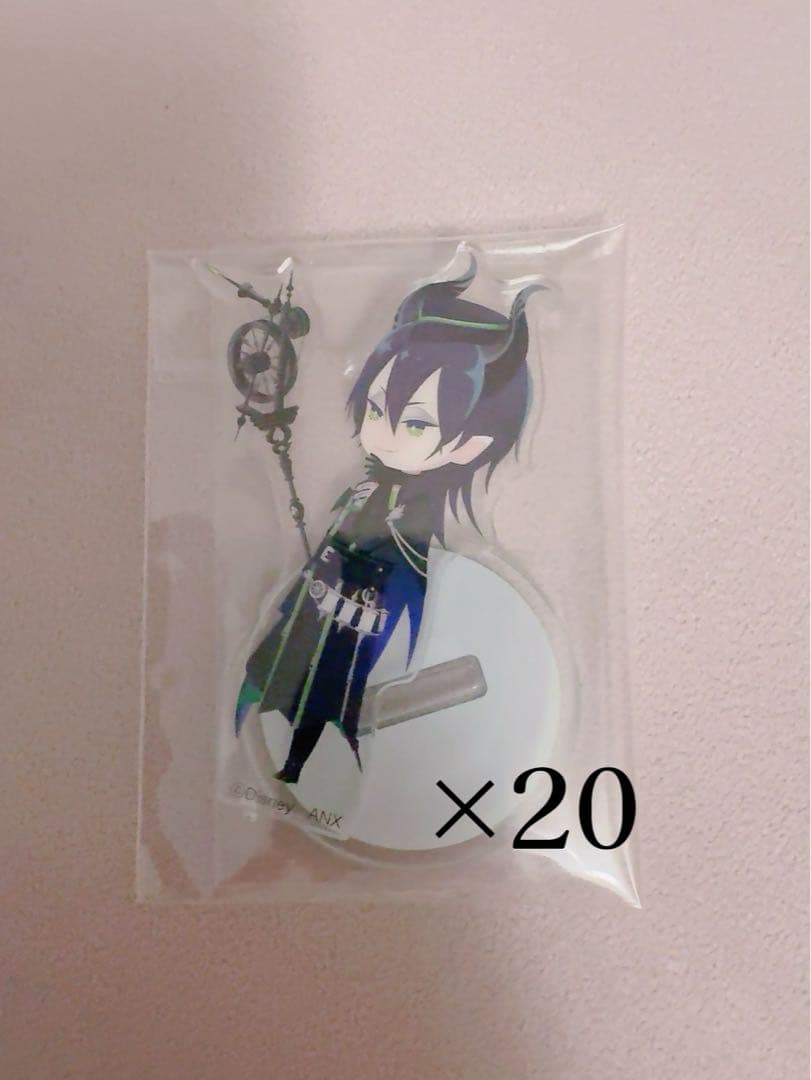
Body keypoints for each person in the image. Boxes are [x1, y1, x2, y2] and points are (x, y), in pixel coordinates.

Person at [235, 258, 541, 783]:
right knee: (278, 665)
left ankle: (297, 765)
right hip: (319, 603)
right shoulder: (365, 489)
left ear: (469, 445)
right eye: (377, 411)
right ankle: (258, 732)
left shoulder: (416, 513)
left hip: (359, 623)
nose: (384, 432)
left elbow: (407, 563)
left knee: (327, 692)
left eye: (416, 422)